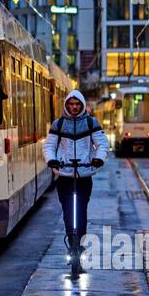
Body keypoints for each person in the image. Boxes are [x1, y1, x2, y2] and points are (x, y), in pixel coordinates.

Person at [42, 89, 110, 256]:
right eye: (71, 104)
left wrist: (98, 158)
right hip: (64, 175)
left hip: (84, 175)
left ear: (82, 105)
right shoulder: (58, 124)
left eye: (77, 104)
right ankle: (71, 239)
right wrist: (51, 160)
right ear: (66, 105)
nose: (74, 107)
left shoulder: (90, 123)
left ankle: (79, 241)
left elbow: (102, 144)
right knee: (67, 210)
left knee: (81, 210)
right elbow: (49, 145)